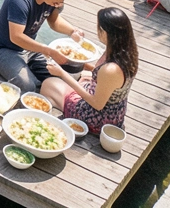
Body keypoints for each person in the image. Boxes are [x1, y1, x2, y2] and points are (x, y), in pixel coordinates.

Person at [40, 7, 137, 135]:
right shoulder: (127, 52)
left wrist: (61, 73)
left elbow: (97, 104)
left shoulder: (111, 69)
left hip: (98, 117)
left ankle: (67, 112)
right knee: (83, 76)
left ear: (105, 32)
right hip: (114, 110)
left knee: (49, 84)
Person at [0, 0, 84, 93]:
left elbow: (54, 21)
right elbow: (16, 37)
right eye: (57, 2)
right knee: (27, 86)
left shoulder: (51, 0)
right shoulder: (19, 0)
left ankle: (32, 72)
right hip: (2, 49)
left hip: (28, 48)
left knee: (63, 76)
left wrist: (72, 31)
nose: (58, 5)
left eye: (62, 2)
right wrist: (47, 50)